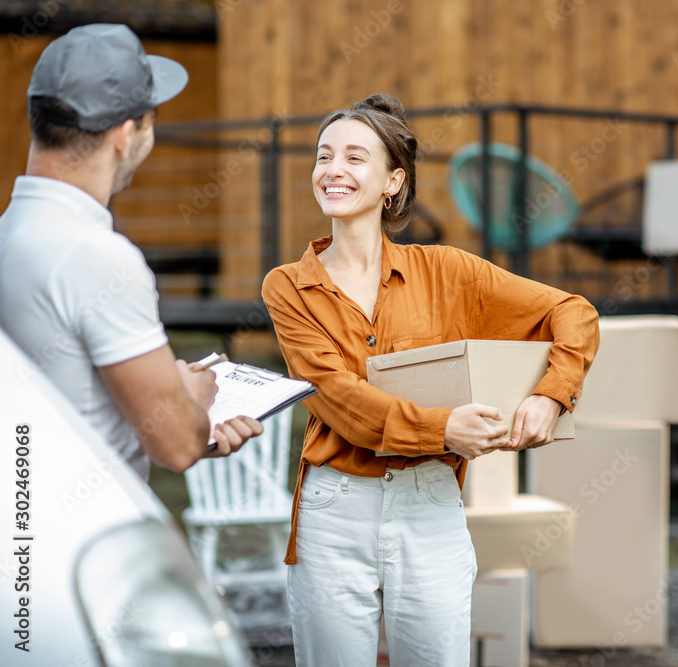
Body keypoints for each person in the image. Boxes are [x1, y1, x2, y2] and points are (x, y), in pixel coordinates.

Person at [262, 93, 599, 666]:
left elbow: (573, 311)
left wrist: (551, 393)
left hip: (431, 504)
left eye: (353, 157)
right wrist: (446, 430)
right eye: (323, 157)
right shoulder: (288, 286)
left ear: (393, 180)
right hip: (334, 509)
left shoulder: (449, 271)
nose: (332, 170)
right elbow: (340, 400)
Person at [0, 24, 262, 477]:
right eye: (151, 118)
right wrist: (190, 401)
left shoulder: (12, 231)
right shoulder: (99, 257)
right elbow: (178, 447)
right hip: (85, 535)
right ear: (125, 135)